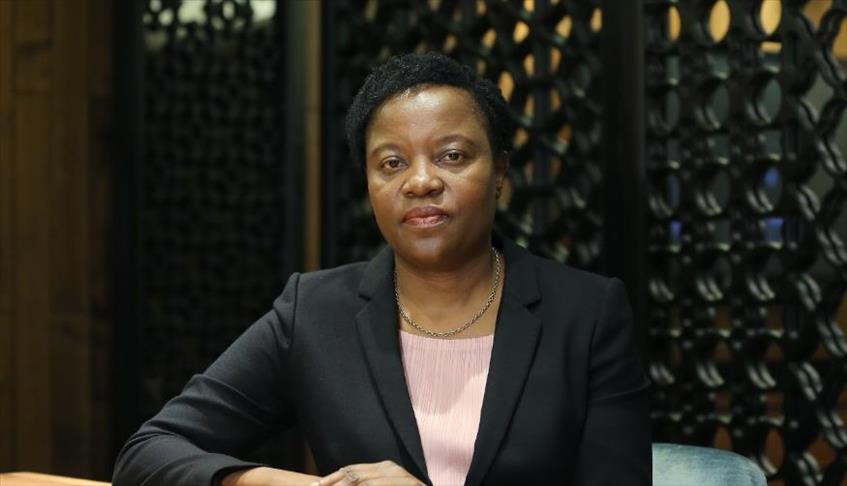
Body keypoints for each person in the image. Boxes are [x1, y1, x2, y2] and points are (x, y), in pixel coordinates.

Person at [113, 51, 651, 486]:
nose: (420, 182)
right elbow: (148, 453)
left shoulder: (587, 315)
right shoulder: (314, 312)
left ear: (500, 171)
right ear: (369, 184)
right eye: (392, 163)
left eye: (452, 156)